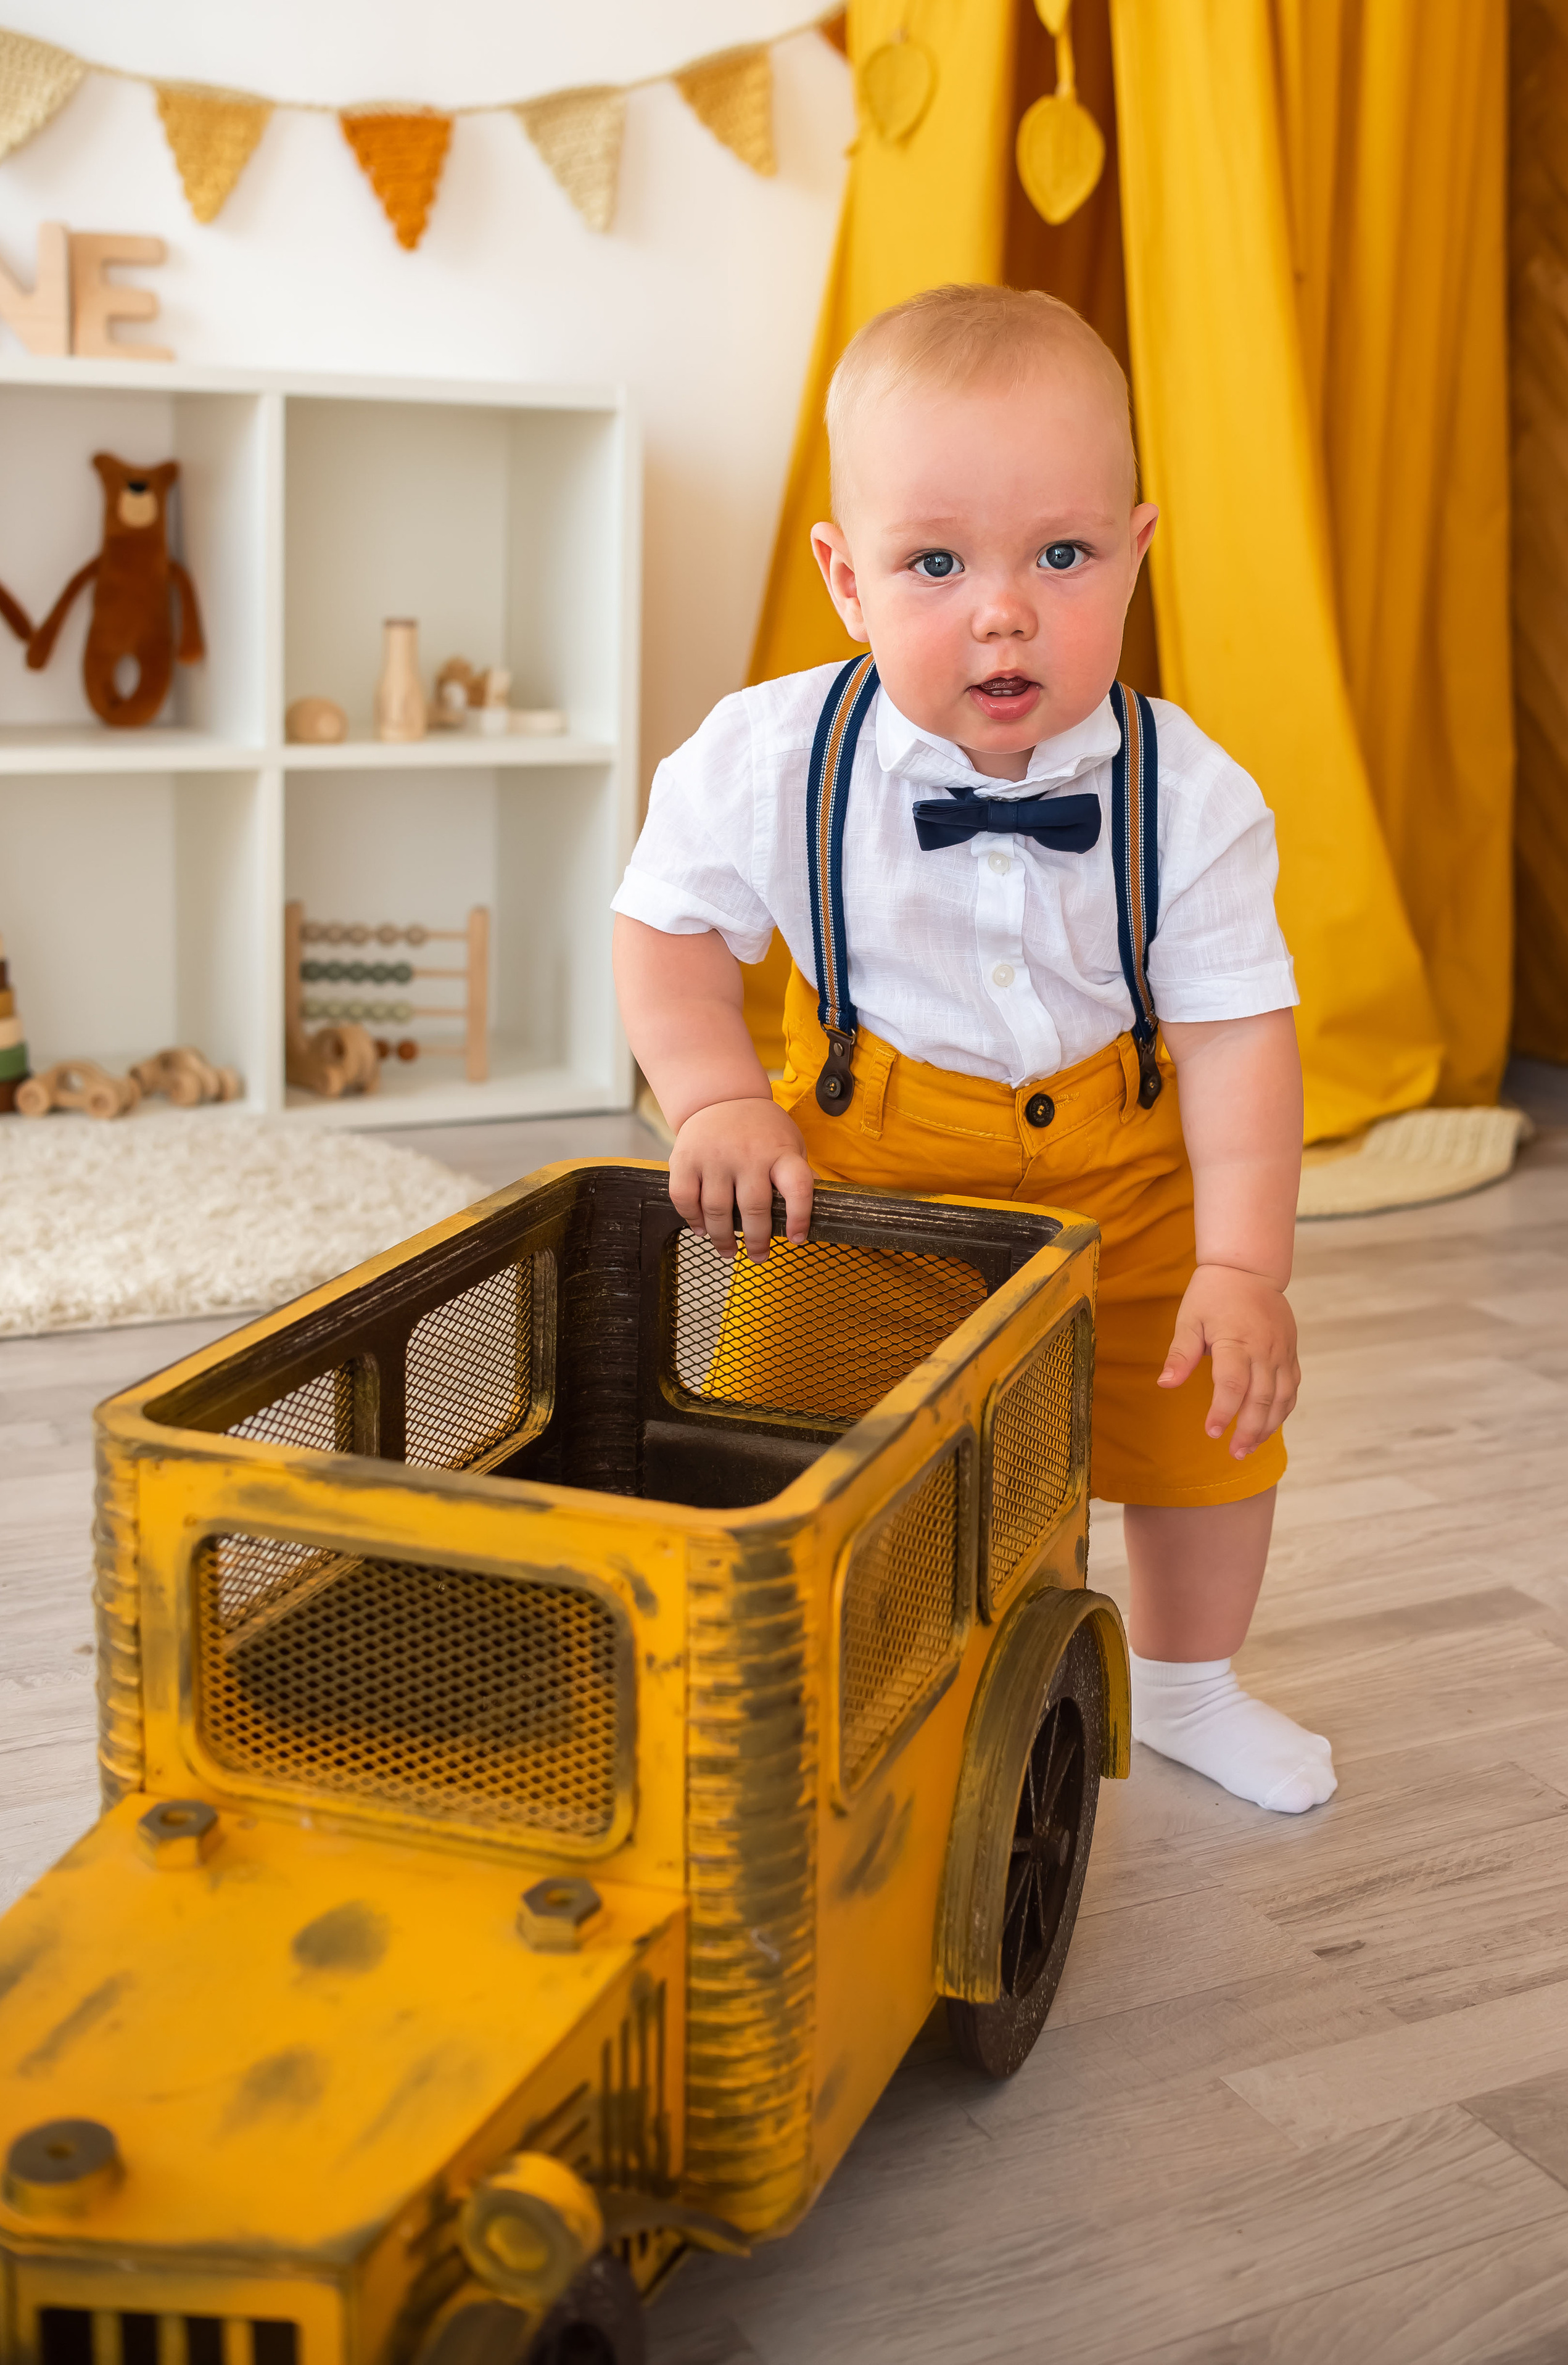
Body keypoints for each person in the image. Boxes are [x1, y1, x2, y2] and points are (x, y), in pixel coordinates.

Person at [611, 283, 1334, 1816]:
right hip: (859, 1176)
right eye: (934, 563)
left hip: (1123, 1180)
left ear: (1134, 556)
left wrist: (1242, 1262)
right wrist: (718, 1095)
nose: (1001, 610)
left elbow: (1234, 1039)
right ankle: (818, 1672)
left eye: (1057, 556)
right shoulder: (768, 757)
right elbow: (663, 928)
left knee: (1200, 1436)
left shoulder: (1187, 795)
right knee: (792, 1437)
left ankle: (1191, 1686)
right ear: (846, 580)